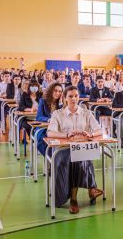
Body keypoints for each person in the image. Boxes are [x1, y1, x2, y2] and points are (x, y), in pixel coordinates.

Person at [47, 86, 104, 214]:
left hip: (82, 147)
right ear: (65, 98)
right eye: (70, 96)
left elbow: (99, 130)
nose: (74, 99)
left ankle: (81, 195)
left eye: (76, 96)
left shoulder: (86, 113)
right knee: (77, 158)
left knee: (82, 155)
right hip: (63, 150)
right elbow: (50, 132)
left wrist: (90, 135)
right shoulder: (57, 114)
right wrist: (66, 135)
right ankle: (86, 191)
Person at [36, 83, 63, 156]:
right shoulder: (43, 101)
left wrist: (61, 104)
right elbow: (39, 117)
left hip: (57, 130)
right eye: (55, 90)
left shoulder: (61, 104)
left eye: (60, 91)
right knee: (44, 143)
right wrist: (49, 120)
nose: (57, 93)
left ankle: (55, 161)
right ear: (51, 91)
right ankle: (51, 161)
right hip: (44, 129)